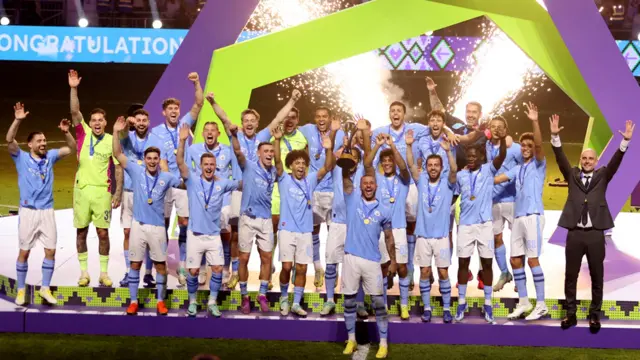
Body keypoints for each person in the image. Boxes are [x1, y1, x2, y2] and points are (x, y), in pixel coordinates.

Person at [551, 115, 634, 333]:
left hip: (596, 234)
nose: (587, 161)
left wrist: (624, 142)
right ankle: (571, 314)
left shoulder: (603, 175)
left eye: (591, 159)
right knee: (571, 276)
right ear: (580, 160)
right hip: (575, 234)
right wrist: (555, 137)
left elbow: (616, 162)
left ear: (596, 162)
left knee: (597, 276)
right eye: (584, 158)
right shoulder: (572, 174)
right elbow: (560, 158)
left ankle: (594, 316)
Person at [207, 91, 293, 289]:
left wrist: (293, 100)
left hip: (260, 193)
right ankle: (235, 272)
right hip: (239, 192)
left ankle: (266, 275)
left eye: (252, 120)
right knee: (236, 235)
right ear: (242, 122)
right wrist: (213, 101)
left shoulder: (263, 136)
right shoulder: (234, 135)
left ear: (257, 123)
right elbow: (223, 117)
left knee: (263, 235)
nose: (249, 123)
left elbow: (278, 118)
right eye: (246, 120)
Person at [7, 103, 76, 306]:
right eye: (39, 141)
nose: (44, 143)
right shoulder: (21, 157)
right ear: (30, 144)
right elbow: (9, 139)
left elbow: (71, 148)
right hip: (28, 212)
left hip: (47, 211)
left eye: (45, 140)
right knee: (24, 252)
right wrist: (18, 120)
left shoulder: (51, 157)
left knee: (51, 251)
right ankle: (21, 290)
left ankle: (45, 288)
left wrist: (66, 132)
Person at [113, 117, 178, 316]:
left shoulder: (167, 177)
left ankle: (160, 301)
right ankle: (133, 301)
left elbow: (184, 181)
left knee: (160, 265)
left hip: (158, 227)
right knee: (134, 264)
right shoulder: (136, 170)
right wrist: (116, 132)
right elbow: (117, 154)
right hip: (138, 226)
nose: (151, 161)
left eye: (155, 159)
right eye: (149, 158)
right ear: (145, 160)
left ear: (159, 161)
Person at [273, 119, 336, 317]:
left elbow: (326, 167)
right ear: (291, 165)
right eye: (297, 163)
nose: (300, 166)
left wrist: (328, 149)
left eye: (303, 163)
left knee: (301, 268)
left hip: (305, 232)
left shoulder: (310, 179)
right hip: (286, 230)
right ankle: (284, 297)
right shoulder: (283, 178)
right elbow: (276, 162)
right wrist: (276, 141)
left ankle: (296, 303)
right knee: (286, 266)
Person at [177, 124, 240, 317]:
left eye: (212, 165)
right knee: (194, 271)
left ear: (216, 166)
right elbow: (180, 162)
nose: (209, 167)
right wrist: (181, 141)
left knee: (218, 269)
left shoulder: (222, 184)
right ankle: (193, 301)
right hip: (195, 235)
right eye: (206, 165)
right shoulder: (192, 180)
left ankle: (212, 302)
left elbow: (242, 183)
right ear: (201, 166)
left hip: (213, 236)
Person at [68, 69, 123, 287]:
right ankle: (83, 273)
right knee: (81, 232)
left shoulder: (111, 139)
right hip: (82, 191)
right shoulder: (83, 134)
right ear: (89, 123)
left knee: (102, 233)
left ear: (106, 122)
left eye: (100, 120)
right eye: (93, 120)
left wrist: (117, 192)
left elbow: (118, 169)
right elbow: (74, 111)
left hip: (102, 192)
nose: (97, 123)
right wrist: (73, 88)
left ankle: (103, 273)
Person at [494, 103, 548, 321]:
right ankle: (524, 302)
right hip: (518, 218)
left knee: (532, 260)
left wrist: (535, 121)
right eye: (523, 145)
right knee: (516, 260)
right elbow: (496, 178)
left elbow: (540, 144)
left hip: (533, 217)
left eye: (529, 145)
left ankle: (541, 303)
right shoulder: (517, 169)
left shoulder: (538, 164)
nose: (525, 148)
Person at [151, 72, 204, 286]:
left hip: (183, 185)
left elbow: (199, 103)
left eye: (176, 109)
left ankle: (182, 266)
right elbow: (161, 162)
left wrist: (196, 83)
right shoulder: (156, 132)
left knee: (185, 223)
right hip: (166, 185)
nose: (173, 111)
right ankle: (160, 266)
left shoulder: (184, 124)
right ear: (164, 112)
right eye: (170, 109)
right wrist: (171, 181)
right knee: (161, 225)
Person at [225, 120, 280, 314]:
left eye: (271, 152)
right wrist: (233, 136)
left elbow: (281, 164)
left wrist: (278, 142)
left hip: (265, 220)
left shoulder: (274, 171)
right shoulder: (248, 166)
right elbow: (238, 152)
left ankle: (262, 294)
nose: (269, 154)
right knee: (244, 258)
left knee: (267, 257)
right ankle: (245, 296)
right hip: (247, 218)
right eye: (266, 151)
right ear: (258, 153)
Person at [454, 126, 507, 323]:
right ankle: (461, 302)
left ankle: (487, 303)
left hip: (485, 225)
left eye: (474, 156)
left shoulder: (488, 170)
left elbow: (501, 157)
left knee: (486, 263)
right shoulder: (460, 175)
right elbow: (455, 195)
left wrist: (501, 140)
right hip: (466, 226)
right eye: (468, 156)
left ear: (480, 158)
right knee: (462, 264)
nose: (471, 159)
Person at [341, 174, 395, 359]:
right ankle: (351, 340)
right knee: (349, 302)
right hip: (351, 258)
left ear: (376, 186)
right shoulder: (352, 199)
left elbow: (389, 237)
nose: (368, 186)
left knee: (379, 304)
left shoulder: (385, 210)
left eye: (371, 183)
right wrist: (346, 167)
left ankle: (383, 344)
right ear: (361, 186)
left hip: (373, 261)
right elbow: (346, 182)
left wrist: (393, 261)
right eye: (365, 183)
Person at [406, 128, 457, 323]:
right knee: (424, 272)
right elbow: (411, 164)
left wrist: (448, 151)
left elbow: (453, 170)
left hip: (442, 236)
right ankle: (427, 308)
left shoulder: (448, 182)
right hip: (423, 236)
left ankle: (445, 308)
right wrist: (409, 146)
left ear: (440, 167)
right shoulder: (422, 180)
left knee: (443, 272)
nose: (433, 168)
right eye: (430, 165)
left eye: (436, 165)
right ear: (426, 167)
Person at [320, 120, 367, 317]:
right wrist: (333, 135)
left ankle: (359, 303)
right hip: (337, 222)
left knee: (359, 264)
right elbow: (329, 156)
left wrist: (363, 131)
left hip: (356, 224)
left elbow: (367, 152)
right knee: (331, 261)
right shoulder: (337, 169)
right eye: (348, 155)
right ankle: (330, 299)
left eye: (355, 156)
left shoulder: (364, 170)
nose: (351, 158)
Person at [364, 131, 410, 319]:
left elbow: (404, 167)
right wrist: (377, 145)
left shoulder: (403, 179)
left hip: (399, 227)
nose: (388, 163)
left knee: (402, 267)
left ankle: (404, 305)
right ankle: (382, 305)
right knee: (382, 267)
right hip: (381, 229)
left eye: (390, 160)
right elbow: (367, 164)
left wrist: (391, 145)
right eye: (385, 161)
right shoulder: (378, 179)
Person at [299, 107, 345, 290]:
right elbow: (290, 128)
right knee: (313, 232)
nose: (321, 119)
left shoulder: (340, 133)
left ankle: (335, 273)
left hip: (333, 190)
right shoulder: (308, 130)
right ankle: (318, 268)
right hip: (314, 189)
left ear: (329, 118)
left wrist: (335, 135)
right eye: (317, 116)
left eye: (324, 116)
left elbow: (343, 151)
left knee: (335, 235)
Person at [118, 108, 165, 289]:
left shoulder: (155, 141)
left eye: (144, 120)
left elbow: (160, 165)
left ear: (149, 122)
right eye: (138, 120)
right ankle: (129, 271)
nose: (141, 123)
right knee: (128, 233)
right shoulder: (127, 136)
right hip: (129, 192)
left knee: (149, 233)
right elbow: (121, 132)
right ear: (134, 122)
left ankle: (147, 274)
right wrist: (127, 124)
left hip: (148, 194)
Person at [186, 120, 233, 287]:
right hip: (201, 200)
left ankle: (225, 269)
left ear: (218, 133)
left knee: (224, 235)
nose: (210, 132)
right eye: (206, 130)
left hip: (223, 200)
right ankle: (203, 269)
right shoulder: (193, 149)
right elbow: (185, 168)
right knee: (202, 233)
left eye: (213, 130)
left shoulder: (228, 151)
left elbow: (235, 171)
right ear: (203, 134)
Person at [268, 91, 305, 289]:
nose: (289, 120)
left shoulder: (303, 138)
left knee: (294, 228)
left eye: (293, 117)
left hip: (295, 192)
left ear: (298, 120)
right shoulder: (275, 134)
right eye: (287, 117)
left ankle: (292, 268)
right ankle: (272, 265)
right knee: (273, 228)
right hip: (274, 189)